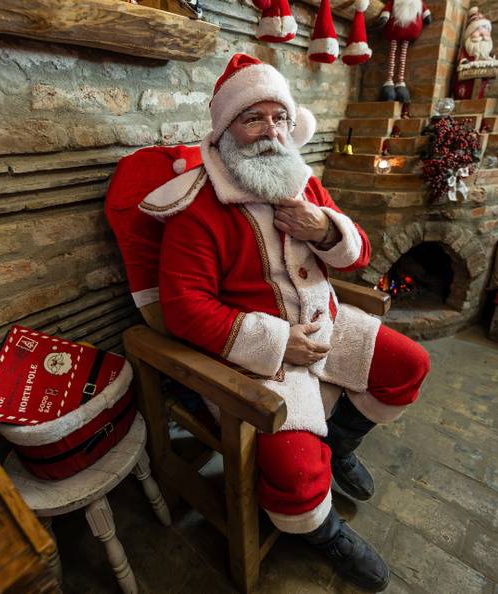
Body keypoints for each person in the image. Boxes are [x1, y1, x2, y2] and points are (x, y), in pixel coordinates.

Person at [143, 53, 430, 592]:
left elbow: (360, 256)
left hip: (326, 323)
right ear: (225, 129)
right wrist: (276, 343)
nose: (270, 131)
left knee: (410, 365)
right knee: (296, 473)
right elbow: (183, 307)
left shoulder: (303, 181)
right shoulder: (198, 207)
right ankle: (322, 532)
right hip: (258, 357)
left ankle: (338, 446)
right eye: (253, 118)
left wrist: (325, 230)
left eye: (279, 117)